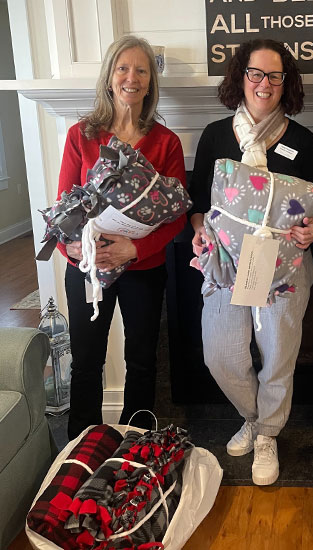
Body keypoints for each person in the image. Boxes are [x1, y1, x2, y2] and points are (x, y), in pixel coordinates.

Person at [189, 39, 313, 485]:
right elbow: (197, 204)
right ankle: (256, 416)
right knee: (222, 354)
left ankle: (266, 435)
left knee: (279, 357)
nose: (264, 84)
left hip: (284, 266)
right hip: (227, 263)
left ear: (287, 82)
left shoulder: (303, 141)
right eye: (256, 73)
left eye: (275, 75)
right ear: (240, 76)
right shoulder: (214, 135)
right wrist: (199, 230)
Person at [58, 35, 187, 439]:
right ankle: (79, 447)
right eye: (123, 68)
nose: (131, 77)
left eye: (141, 71)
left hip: (143, 269)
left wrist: (134, 248)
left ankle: (137, 446)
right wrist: (71, 246)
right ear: (110, 78)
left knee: (143, 360)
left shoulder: (166, 143)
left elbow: (177, 218)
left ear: (150, 83)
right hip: (87, 269)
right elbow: (63, 206)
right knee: (87, 360)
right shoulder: (81, 135)